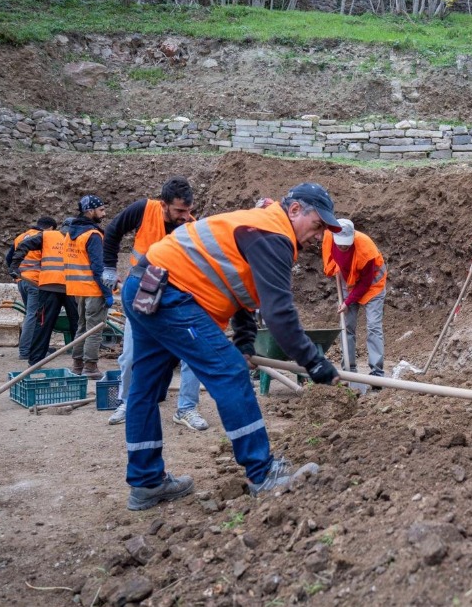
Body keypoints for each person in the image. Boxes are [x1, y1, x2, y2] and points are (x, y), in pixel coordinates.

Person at [119, 182, 342, 510]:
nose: (319, 235)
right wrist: (315, 363)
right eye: (317, 224)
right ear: (295, 210)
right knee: (230, 371)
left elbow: (240, 289)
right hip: (170, 294)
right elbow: (279, 314)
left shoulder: (261, 227)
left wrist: (245, 343)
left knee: (146, 387)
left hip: (146, 284)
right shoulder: (273, 235)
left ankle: (146, 482)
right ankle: (262, 472)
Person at [101, 177, 208, 431]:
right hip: (140, 294)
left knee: (192, 353)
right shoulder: (143, 209)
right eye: (180, 211)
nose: (185, 216)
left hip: (174, 298)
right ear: (164, 204)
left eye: (189, 210)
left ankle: (186, 408)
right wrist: (107, 267)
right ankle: (126, 401)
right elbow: (113, 231)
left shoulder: (192, 228)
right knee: (129, 356)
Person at [322, 218, 388, 380]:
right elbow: (329, 258)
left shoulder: (366, 249)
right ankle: (349, 370)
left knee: (373, 326)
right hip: (348, 282)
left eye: (347, 244)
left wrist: (347, 302)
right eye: (340, 244)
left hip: (373, 284)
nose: (343, 247)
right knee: (347, 326)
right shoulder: (329, 237)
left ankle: (377, 373)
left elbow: (365, 283)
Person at [9, 219, 80, 366]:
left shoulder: (48, 236)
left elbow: (24, 245)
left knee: (43, 324)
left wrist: (15, 265)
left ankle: (35, 360)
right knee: (77, 324)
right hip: (68, 288)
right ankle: (80, 361)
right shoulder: (79, 237)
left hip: (51, 287)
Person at [64, 195, 113, 380]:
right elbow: (98, 267)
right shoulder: (92, 235)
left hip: (78, 288)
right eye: (101, 210)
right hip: (93, 289)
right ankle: (90, 367)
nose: (104, 213)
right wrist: (107, 292)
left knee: (82, 326)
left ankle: (77, 364)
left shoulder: (72, 232)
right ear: (90, 211)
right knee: (95, 329)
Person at [5, 216, 58, 361]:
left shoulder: (21, 236)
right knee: (33, 315)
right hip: (35, 281)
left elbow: (9, 259)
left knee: (31, 314)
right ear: (50, 228)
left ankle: (34, 346)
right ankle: (26, 351)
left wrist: (17, 277)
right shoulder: (45, 237)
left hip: (22, 280)